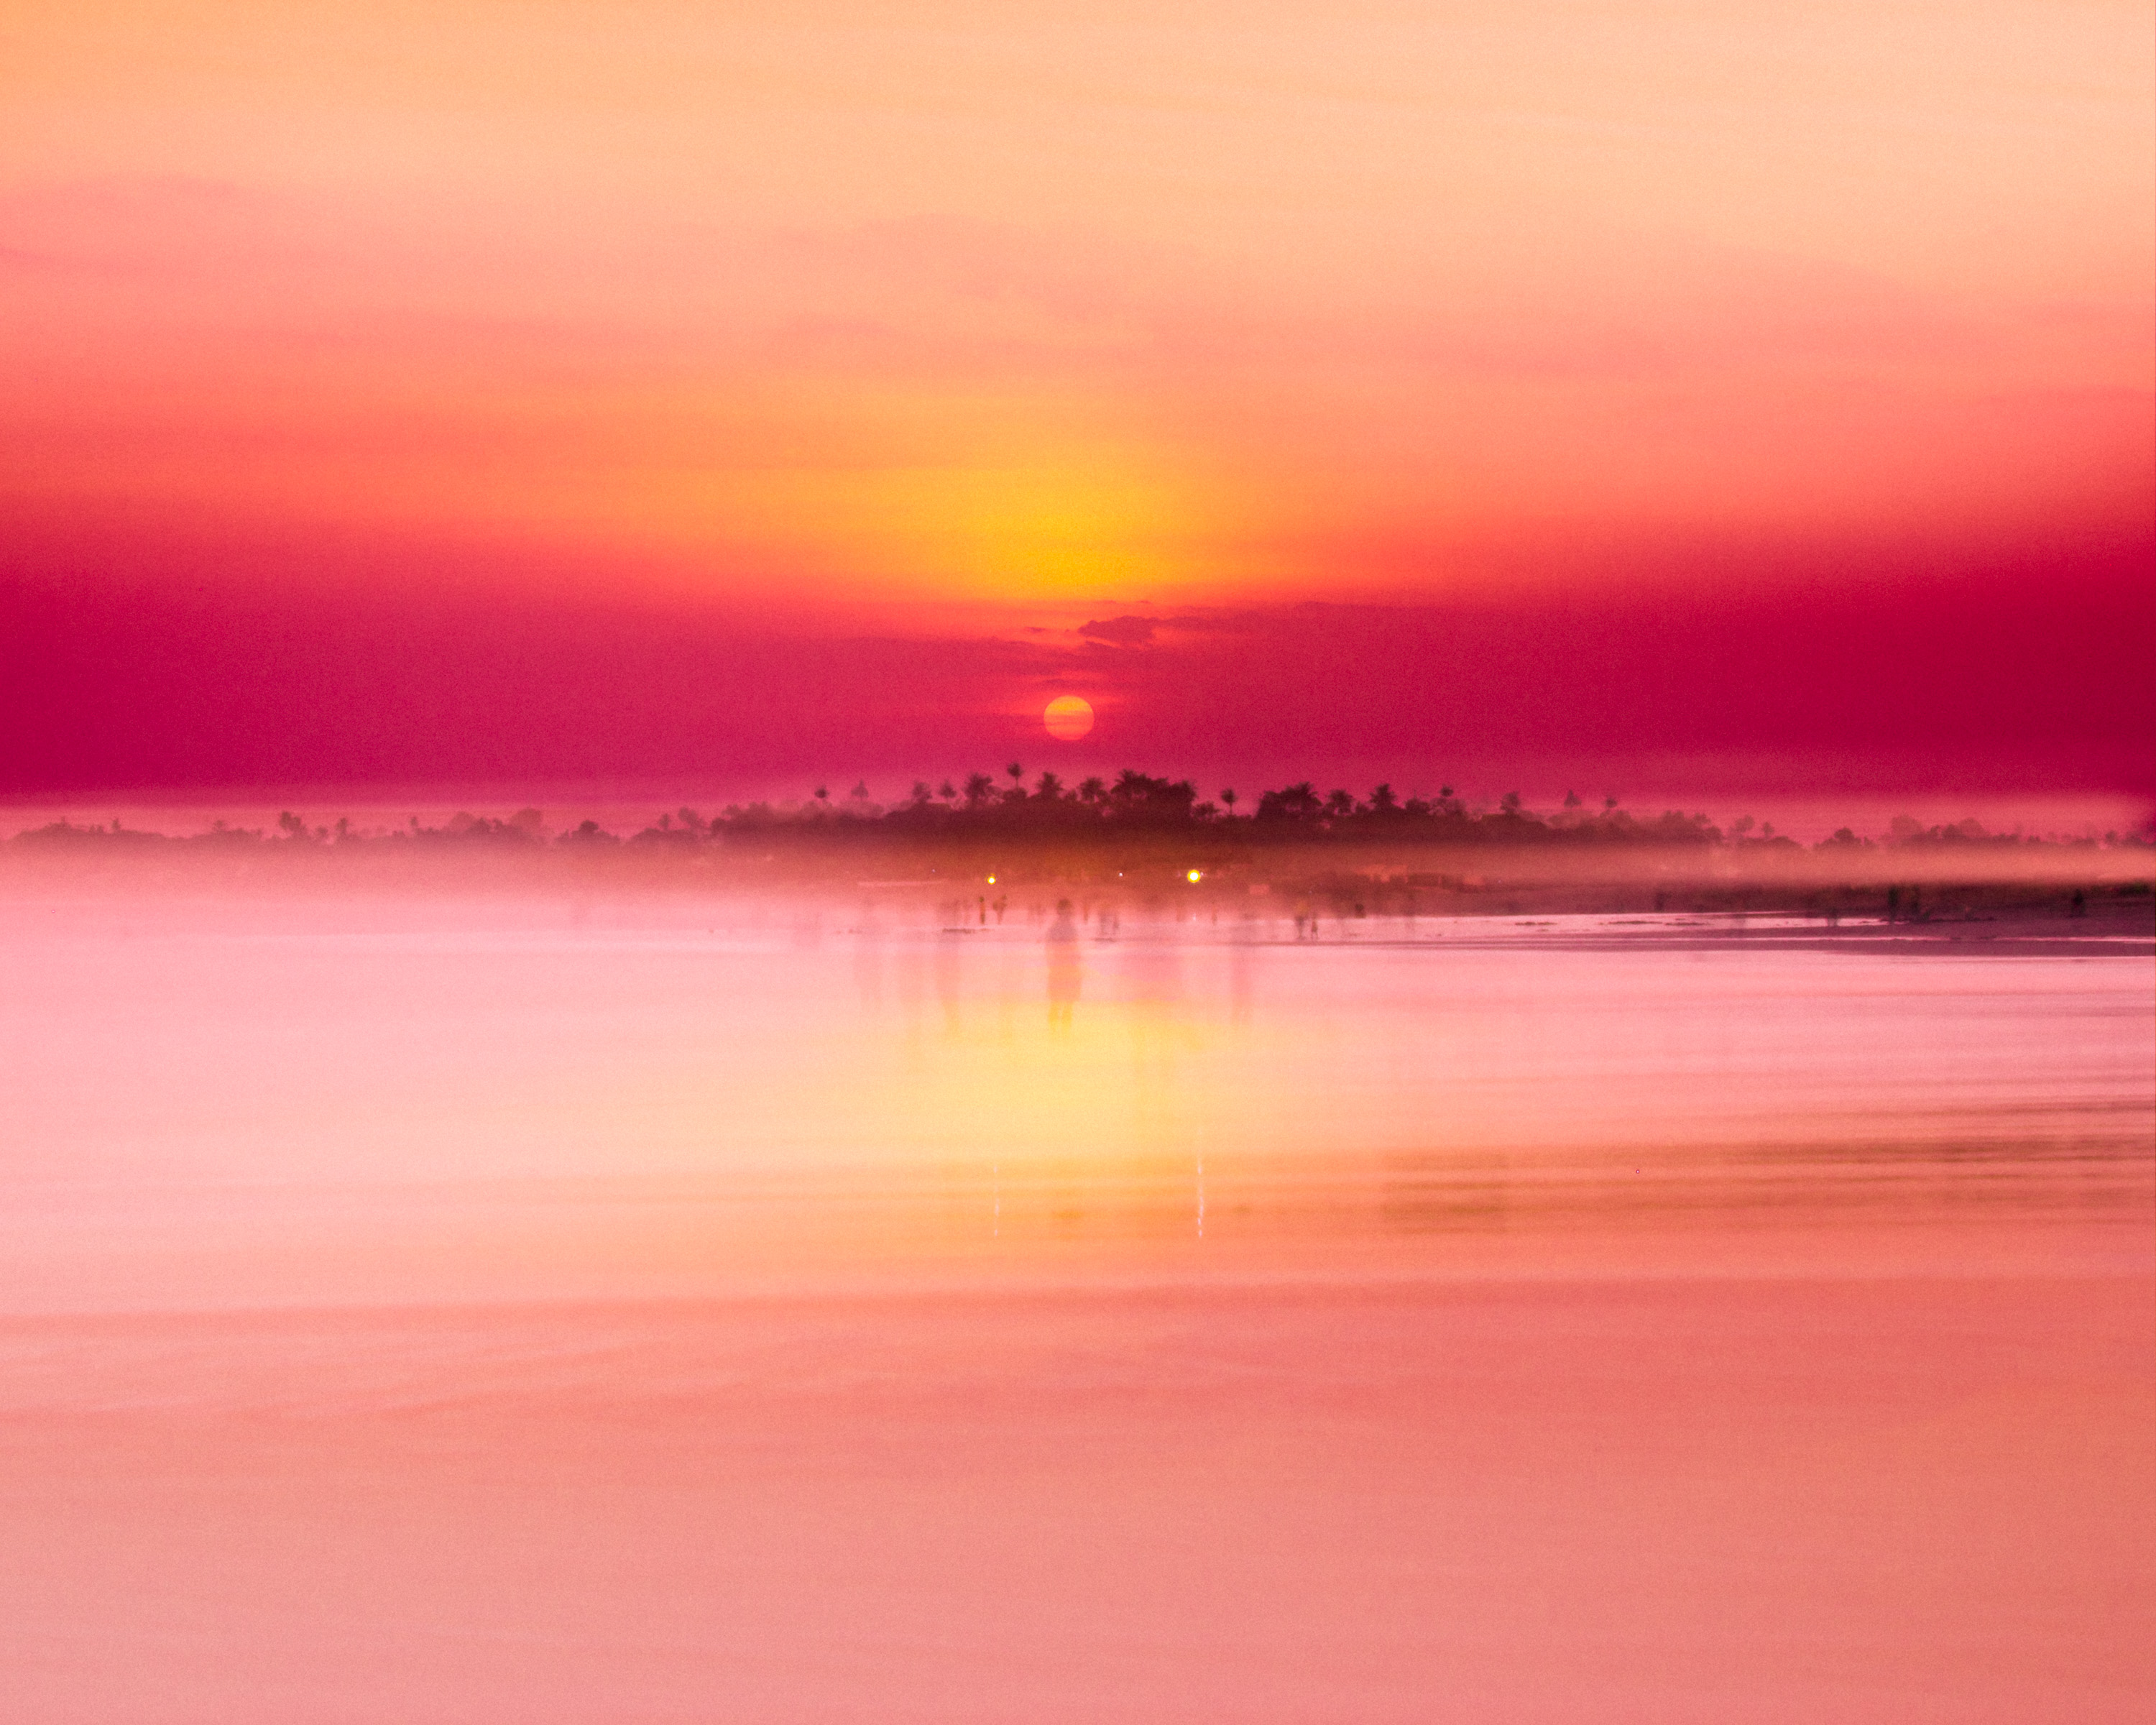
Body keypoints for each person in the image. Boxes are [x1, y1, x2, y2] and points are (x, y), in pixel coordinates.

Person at [1045, 898, 1082, 1031]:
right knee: (1065, 1002)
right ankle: (1061, 1034)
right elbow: (1073, 948)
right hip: (1066, 967)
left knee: (1059, 1002)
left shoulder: (1055, 928)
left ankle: (1056, 1033)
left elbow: (1048, 948)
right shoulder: (1067, 927)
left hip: (1060, 967)